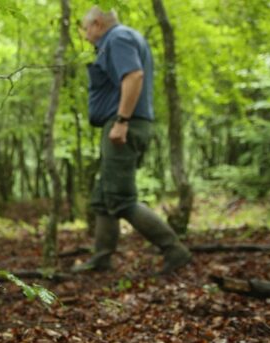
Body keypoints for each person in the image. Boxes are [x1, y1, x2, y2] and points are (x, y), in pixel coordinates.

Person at [72, 6, 191, 275]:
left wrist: (122, 121)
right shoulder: (123, 37)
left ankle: (174, 249)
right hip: (120, 124)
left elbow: (134, 75)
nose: (86, 35)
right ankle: (102, 257)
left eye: (86, 28)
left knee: (121, 199)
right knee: (104, 197)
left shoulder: (118, 38)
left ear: (98, 23)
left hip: (123, 125)